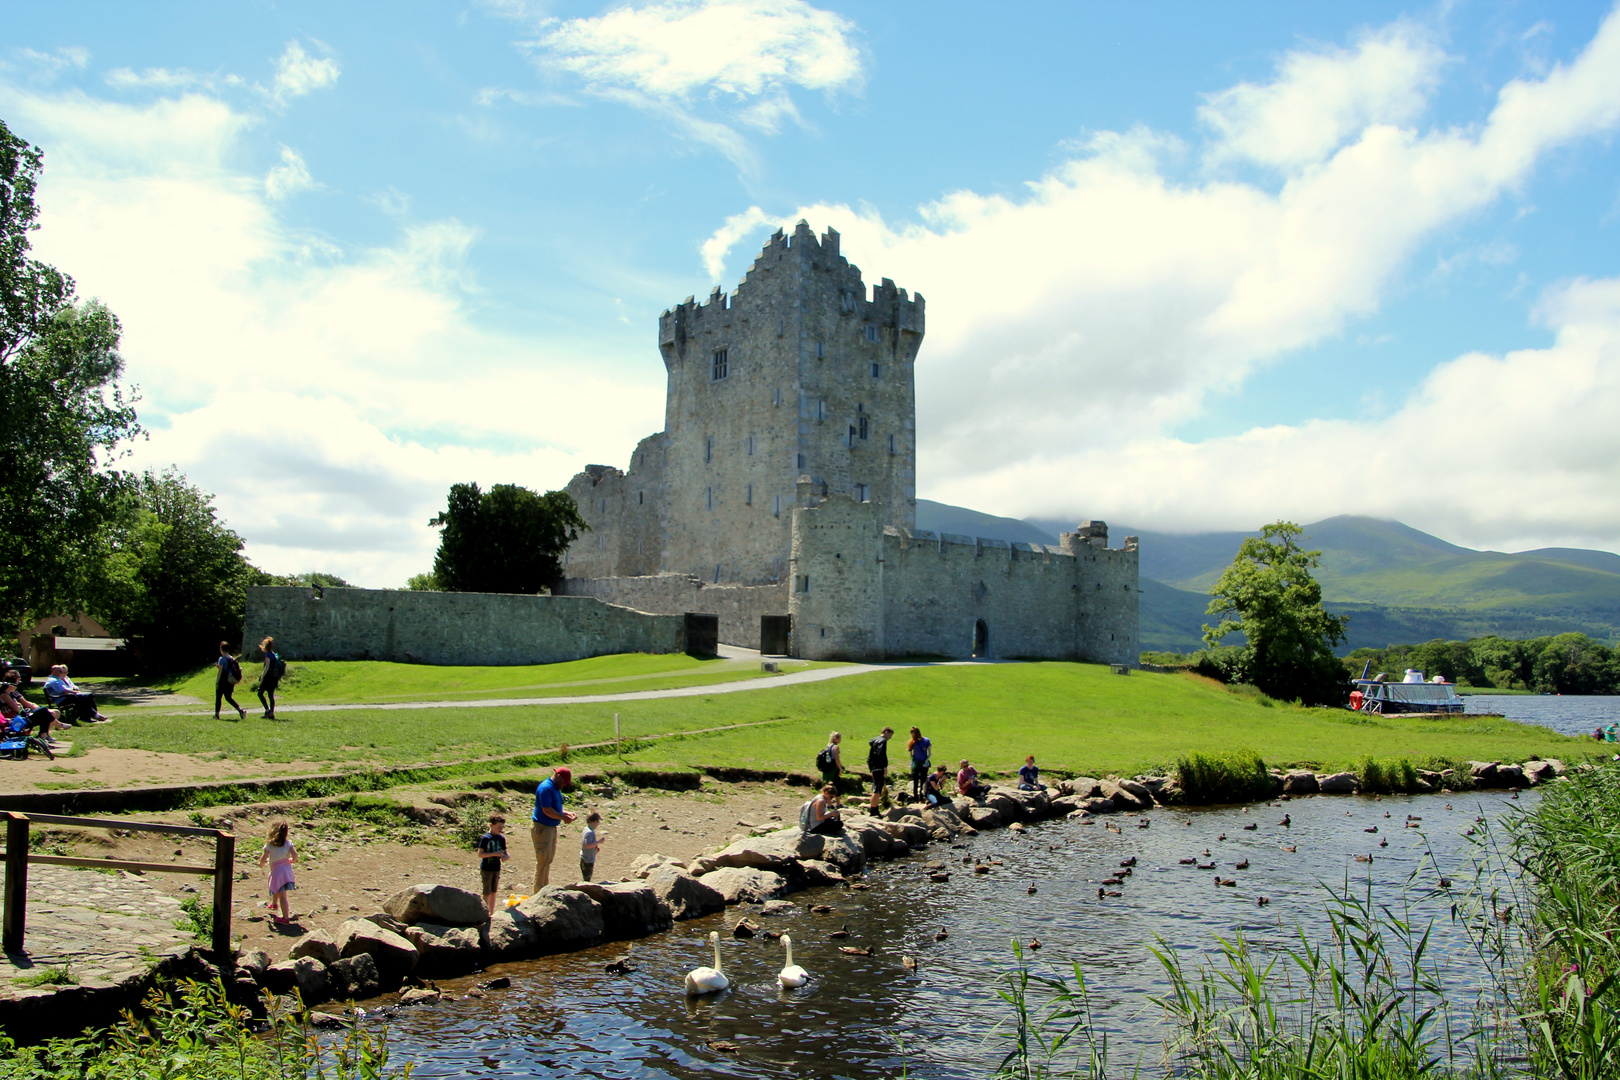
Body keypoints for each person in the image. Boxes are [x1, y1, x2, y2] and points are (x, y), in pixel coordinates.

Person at [531, 766, 576, 891]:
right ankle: (538, 890)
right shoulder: (546, 788)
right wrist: (562, 817)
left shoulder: (555, 788)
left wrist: (566, 814)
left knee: (548, 859)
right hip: (542, 827)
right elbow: (546, 810)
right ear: (558, 776)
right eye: (563, 782)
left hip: (550, 827)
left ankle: (543, 888)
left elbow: (555, 808)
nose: (564, 785)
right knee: (543, 860)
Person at [1, 672, 63, 742]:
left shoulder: (11, 694)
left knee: (44, 715)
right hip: (17, 720)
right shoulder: (5, 695)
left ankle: (43, 738)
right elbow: (17, 709)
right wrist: (19, 705)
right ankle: (56, 725)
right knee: (43, 710)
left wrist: (19, 705)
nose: (17, 686)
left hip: (21, 717)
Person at [257, 818, 297, 926]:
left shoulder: (270, 845)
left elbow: (264, 858)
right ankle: (274, 904)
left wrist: (260, 864)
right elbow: (295, 855)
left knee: (282, 895)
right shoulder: (288, 843)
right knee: (277, 887)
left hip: (277, 871)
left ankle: (285, 918)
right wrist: (292, 860)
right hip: (287, 871)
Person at [41, 665, 108, 724]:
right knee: (82, 698)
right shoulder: (54, 681)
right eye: (60, 671)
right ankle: (92, 716)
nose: (61, 673)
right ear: (53, 671)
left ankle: (92, 715)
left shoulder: (56, 679)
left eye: (62, 671)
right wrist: (75, 692)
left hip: (66, 697)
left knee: (88, 696)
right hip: (62, 699)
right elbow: (64, 691)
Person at [475, 813, 509, 917]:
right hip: (486, 868)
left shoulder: (501, 839)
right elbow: (480, 854)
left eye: (502, 827)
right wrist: (494, 854)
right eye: (499, 827)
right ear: (491, 825)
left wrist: (505, 857)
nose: (500, 829)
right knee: (486, 892)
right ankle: (484, 913)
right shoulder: (486, 838)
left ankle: (491, 912)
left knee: (494, 891)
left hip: (496, 868)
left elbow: (505, 853)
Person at [214, 641, 246, 720]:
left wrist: (217, 682)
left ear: (221, 649)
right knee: (228, 698)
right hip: (230, 680)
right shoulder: (231, 658)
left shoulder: (222, 659)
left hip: (223, 680)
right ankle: (240, 710)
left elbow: (220, 671)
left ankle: (216, 715)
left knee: (218, 697)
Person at [866, 726, 894, 811]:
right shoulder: (882, 741)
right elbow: (881, 754)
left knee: (876, 788)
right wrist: (884, 767)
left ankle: (873, 808)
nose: (890, 738)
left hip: (874, 767)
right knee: (877, 790)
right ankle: (874, 809)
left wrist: (871, 768)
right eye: (890, 735)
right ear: (886, 732)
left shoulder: (874, 741)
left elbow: (869, 758)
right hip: (879, 767)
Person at [257, 636, 285, 719]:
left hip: (268, 677)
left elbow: (267, 667)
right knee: (271, 695)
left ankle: (268, 710)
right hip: (274, 677)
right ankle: (271, 713)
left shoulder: (268, 655)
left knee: (260, 693)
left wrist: (262, 677)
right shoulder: (274, 655)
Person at [907, 726, 931, 801]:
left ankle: (922, 796)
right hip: (916, 763)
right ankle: (916, 798)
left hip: (924, 763)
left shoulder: (926, 740)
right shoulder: (912, 742)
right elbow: (911, 754)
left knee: (923, 780)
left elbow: (929, 753)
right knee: (915, 781)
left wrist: (927, 760)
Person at [580, 811, 602, 881]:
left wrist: (595, 846)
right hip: (588, 859)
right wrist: (599, 842)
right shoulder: (590, 832)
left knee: (586, 877)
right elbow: (588, 845)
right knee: (587, 878)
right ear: (595, 822)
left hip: (585, 856)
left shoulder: (586, 829)